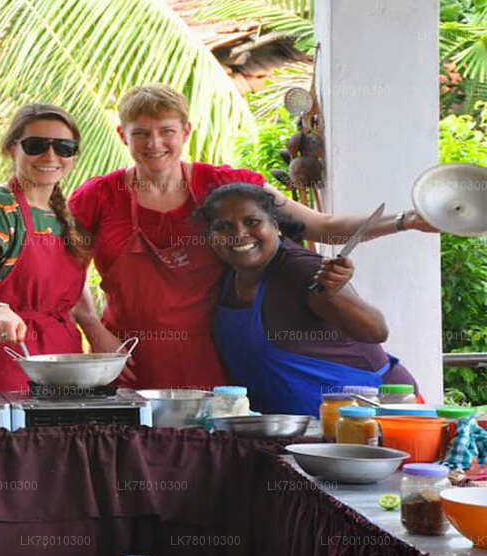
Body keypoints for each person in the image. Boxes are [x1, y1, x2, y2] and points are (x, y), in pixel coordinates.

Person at [68, 84, 437, 390]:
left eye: (166, 131)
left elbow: (321, 225)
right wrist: (95, 333)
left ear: (186, 132)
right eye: (141, 134)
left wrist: (405, 221)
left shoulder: (225, 185)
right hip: (124, 356)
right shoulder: (97, 196)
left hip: (214, 356)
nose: (155, 144)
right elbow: (65, 276)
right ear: (122, 135)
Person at [199, 183, 419, 415]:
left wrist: (333, 295)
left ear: (275, 225)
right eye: (223, 227)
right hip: (288, 429)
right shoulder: (226, 277)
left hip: (367, 419)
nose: (239, 234)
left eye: (252, 222)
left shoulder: (303, 270)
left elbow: (376, 332)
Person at [0, 104, 120, 391]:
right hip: (7, 356)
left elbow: (68, 290)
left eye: (64, 148)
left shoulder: (65, 215)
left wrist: (94, 328)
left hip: (64, 359)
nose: (51, 156)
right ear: (11, 149)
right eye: (36, 145)